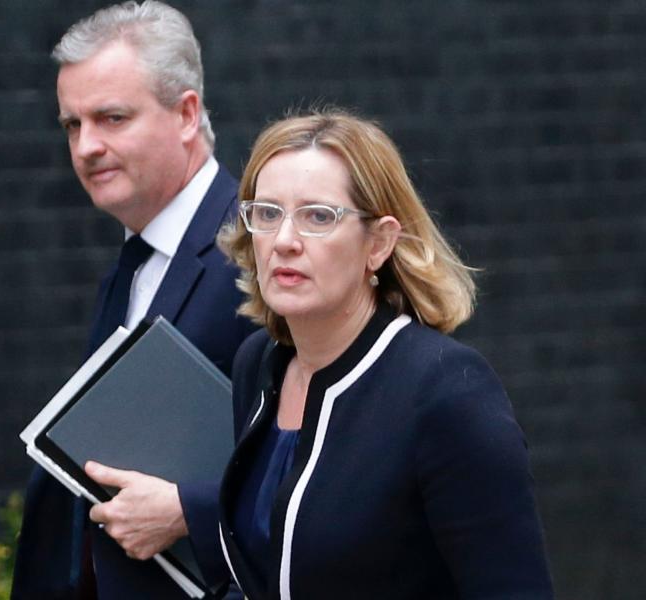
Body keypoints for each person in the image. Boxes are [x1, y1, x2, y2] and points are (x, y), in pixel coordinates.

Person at [214, 109, 555, 599]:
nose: (284, 241)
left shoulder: (447, 392)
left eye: (317, 216)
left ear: (378, 243)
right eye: (267, 213)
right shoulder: (259, 364)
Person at [12, 2, 255, 599]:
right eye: (72, 125)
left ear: (186, 115)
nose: (87, 146)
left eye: (112, 118)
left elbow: (320, 463)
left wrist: (189, 509)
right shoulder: (133, 262)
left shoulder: (259, 255)